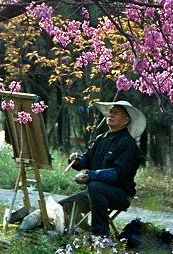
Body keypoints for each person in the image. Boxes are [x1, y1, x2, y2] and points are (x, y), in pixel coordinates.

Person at [59, 100, 145, 237]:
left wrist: (92, 175)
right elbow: (87, 159)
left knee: (94, 186)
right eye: (111, 111)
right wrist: (76, 160)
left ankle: (100, 235)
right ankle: (85, 230)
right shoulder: (101, 138)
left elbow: (118, 173)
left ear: (126, 120)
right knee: (61, 207)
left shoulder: (128, 144)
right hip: (96, 191)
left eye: (116, 113)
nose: (111, 114)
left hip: (120, 194)